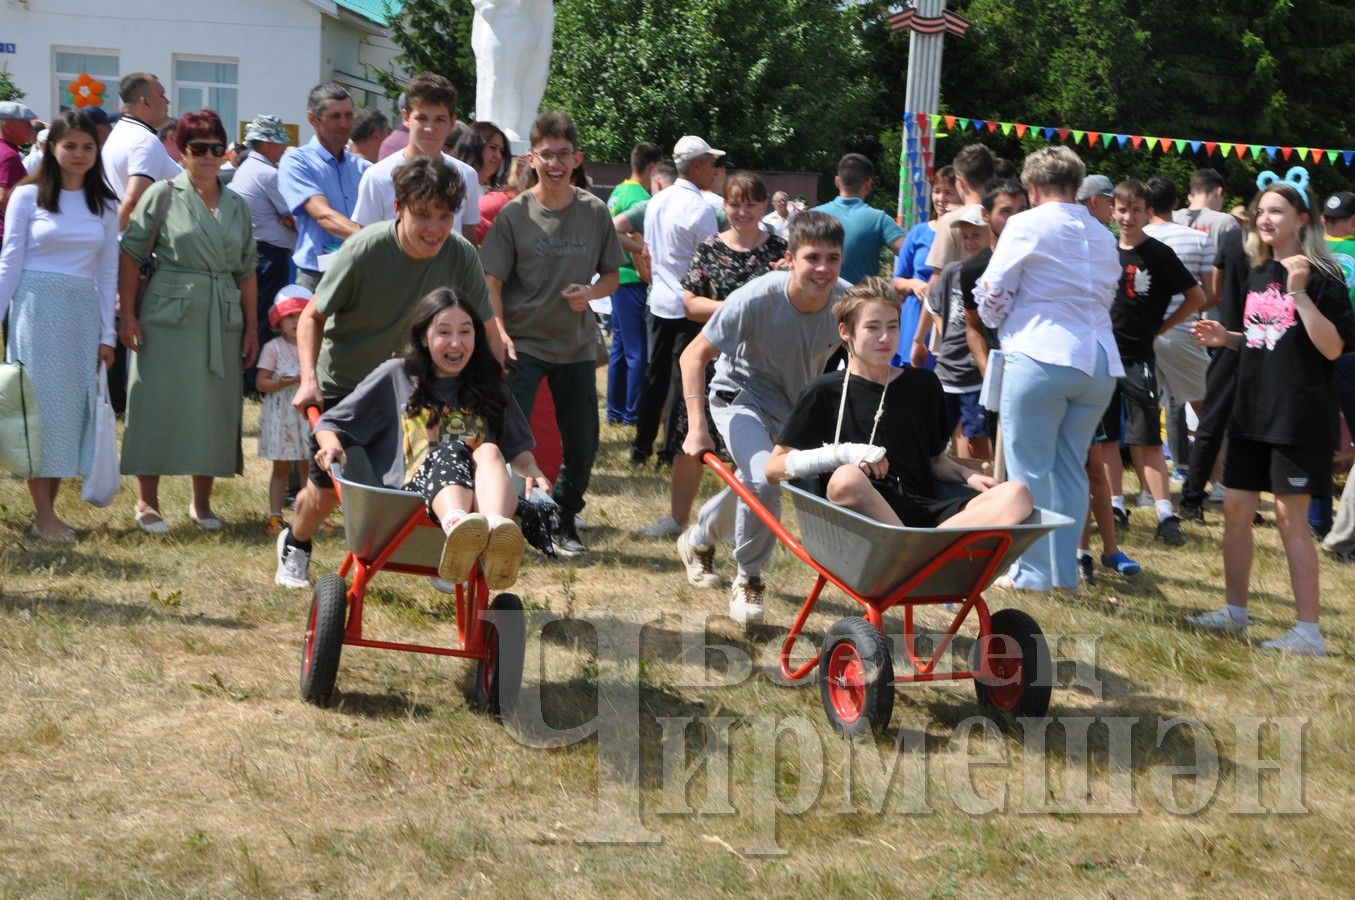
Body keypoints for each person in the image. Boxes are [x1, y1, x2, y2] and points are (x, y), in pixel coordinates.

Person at [277, 156, 500, 589]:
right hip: (350, 384)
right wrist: (309, 379)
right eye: (423, 215)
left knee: (442, 467)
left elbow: (487, 328)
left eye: (444, 216)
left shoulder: (461, 254)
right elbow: (312, 317)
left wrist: (490, 389)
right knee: (326, 493)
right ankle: (296, 540)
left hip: (420, 388)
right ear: (399, 208)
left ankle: (447, 549)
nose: (434, 228)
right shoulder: (366, 249)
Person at [1185, 169, 1355, 656]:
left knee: (1288, 519)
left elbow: (1330, 349)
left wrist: (1299, 291)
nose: (1264, 218)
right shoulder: (1257, 270)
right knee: (1236, 510)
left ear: (1303, 220)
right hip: (1252, 410)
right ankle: (1235, 612)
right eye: (1260, 211)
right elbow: (1266, 338)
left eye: (1276, 210)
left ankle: (1309, 631)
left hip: (1298, 416)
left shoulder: (1324, 276)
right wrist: (1228, 339)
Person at [676, 212, 849, 625]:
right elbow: (693, 355)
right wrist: (698, 428)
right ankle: (749, 578)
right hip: (741, 398)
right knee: (763, 480)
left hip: (797, 409)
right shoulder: (755, 298)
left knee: (753, 485)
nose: (823, 269)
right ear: (790, 258)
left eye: (833, 258)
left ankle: (700, 537)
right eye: (813, 258)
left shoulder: (848, 302)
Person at [314, 289, 548, 590]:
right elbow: (331, 421)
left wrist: (531, 469)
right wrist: (331, 443)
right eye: (444, 332)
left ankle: (491, 536)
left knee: (489, 450)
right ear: (424, 337)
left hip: (481, 500)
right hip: (410, 498)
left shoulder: (491, 387)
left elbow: (518, 451)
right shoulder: (397, 376)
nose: (456, 342)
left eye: (466, 332)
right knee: (451, 450)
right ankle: (457, 532)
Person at [767, 277, 1032, 529]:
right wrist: (841, 454)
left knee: (1017, 494)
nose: (885, 337)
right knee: (845, 478)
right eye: (873, 327)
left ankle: (925, 549)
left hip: (926, 509)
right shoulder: (824, 391)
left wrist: (966, 475)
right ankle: (915, 547)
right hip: (864, 518)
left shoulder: (924, 385)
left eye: (892, 326)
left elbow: (934, 461)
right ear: (845, 332)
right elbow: (773, 469)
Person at [974, 146, 1121, 591]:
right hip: (1098, 360)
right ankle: (1063, 573)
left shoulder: (1025, 223)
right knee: (1069, 468)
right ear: (1076, 186)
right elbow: (1109, 293)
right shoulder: (1103, 233)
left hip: (1040, 353)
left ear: (1033, 188)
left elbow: (993, 291)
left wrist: (998, 318)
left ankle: (1033, 573)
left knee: (1029, 469)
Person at [480, 111, 623, 555]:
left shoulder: (594, 210)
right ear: (532, 158)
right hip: (524, 344)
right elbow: (491, 283)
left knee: (582, 442)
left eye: (564, 154)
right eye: (547, 155)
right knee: (507, 438)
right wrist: (500, 334)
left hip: (576, 346)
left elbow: (613, 276)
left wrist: (592, 292)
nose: (556, 163)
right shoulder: (513, 216)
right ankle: (506, 517)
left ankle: (563, 517)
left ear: (576, 158)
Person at [117, 110, 258, 533]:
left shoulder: (237, 204)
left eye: (217, 147)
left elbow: (247, 270)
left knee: (214, 404)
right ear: (181, 151)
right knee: (154, 399)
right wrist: (128, 314)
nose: (209, 156)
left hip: (222, 312)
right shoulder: (162, 194)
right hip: (167, 312)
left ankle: (202, 503)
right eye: (199, 148)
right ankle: (147, 501)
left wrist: (252, 327)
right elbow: (130, 255)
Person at [640, 171, 788, 543]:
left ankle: (739, 524)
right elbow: (689, 302)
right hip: (708, 354)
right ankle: (676, 519)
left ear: (763, 206)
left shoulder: (780, 250)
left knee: (750, 447)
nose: (743, 211)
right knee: (687, 442)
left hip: (761, 361)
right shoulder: (710, 247)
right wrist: (734, 307)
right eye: (735, 203)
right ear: (725, 205)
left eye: (751, 204)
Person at [0, 110, 119, 541]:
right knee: (39, 411)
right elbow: (9, 262)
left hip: (81, 311)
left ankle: (46, 513)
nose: (79, 154)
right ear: (51, 147)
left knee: (68, 411)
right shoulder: (26, 197)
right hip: (36, 307)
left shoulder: (105, 203)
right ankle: (45, 515)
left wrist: (107, 333)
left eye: (88, 147)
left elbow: (107, 273)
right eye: (71, 146)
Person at [1100, 179, 1204, 546]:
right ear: (1112, 211)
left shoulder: (1158, 253)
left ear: (1148, 213)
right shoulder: (1103, 249)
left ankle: (1165, 513)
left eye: (1136, 211)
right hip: (1101, 355)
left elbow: (1196, 296)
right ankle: (1115, 505)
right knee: (1107, 437)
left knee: (1146, 438)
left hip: (1137, 356)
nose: (1128, 217)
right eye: (1122, 210)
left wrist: (1163, 328)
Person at [631, 136, 723, 467]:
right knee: (686, 379)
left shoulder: (656, 201)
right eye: (711, 164)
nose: (714, 171)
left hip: (659, 302)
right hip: (690, 304)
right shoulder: (702, 209)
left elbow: (647, 248)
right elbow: (710, 263)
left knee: (654, 378)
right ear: (697, 166)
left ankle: (640, 448)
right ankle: (670, 452)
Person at [1143, 175, 1217, 479]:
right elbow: (1212, 295)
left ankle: (1151, 489)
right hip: (1183, 332)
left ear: (1145, 206)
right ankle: (1220, 481)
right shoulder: (1198, 238)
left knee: (1147, 414)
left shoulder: (1134, 238)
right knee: (1208, 409)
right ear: (1176, 203)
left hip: (1141, 335)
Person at [352, 76, 481, 246]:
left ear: (452, 123)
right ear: (406, 117)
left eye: (439, 120)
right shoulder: (377, 177)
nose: (430, 129)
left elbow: (468, 239)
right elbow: (364, 243)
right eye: (422, 118)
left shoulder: (466, 175)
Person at [914, 204, 992, 459]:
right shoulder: (952, 271)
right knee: (933, 437)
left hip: (977, 374)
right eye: (965, 236)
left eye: (976, 235)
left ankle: (985, 490)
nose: (969, 242)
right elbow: (932, 304)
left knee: (978, 442)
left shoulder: (997, 272)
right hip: (947, 370)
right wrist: (924, 339)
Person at [227, 114, 298, 391]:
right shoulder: (268, 174)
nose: (282, 149)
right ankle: (255, 378)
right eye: (280, 143)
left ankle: (248, 377)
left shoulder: (245, 169)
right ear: (268, 144)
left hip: (255, 251)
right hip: (270, 254)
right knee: (265, 317)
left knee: (252, 315)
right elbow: (292, 216)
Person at [277, 83, 369, 290]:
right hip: (317, 277)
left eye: (348, 115)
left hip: (359, 271)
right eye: (335, 116)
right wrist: (373, 239)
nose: (344, 123)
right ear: (313, 119)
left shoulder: (364, 168)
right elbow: (323, 216)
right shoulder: (296, 162)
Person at [604, 141, 663, 428]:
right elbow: (639, 243)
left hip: (616, 279)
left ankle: (614, 411)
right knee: (638, 351)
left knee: (619, 348)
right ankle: (632, 414)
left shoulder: (618, 191)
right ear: (652, 168)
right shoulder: (640, 196)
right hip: (635, 280)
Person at [256, 285, 312, 535]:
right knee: (281, 466)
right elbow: (261, 383)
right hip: (282, 415)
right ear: (279, 320)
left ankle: (308, 514)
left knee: (307, 465)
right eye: (290, 316)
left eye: (302, 316)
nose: (296, 321)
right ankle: (275, 515)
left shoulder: (313, 346)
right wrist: (288, 381)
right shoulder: (273, 348)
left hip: (305, 413)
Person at [892, 166, 961, 368]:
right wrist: (913, 284)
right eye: (937, 191)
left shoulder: (967, 234)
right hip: (915, 316)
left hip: (948, 315)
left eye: (949, 192)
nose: (941, 198)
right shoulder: (918, 232)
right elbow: (896, 280)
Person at [100, 74, 181, 230]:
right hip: (137, 246)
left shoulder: (120, 131)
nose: (167, 101)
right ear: (145, 101)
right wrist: (112, 244)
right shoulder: (144, 140)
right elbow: (133, 200)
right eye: (162, 95)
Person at [813, 153, 905, 285]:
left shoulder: (812, 216)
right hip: (861, 301)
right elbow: (910, 252)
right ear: (868, 184)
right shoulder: (879, 219)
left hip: (819, 299)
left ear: (837, 181)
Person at [0, 102, 38, 239]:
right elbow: (3, 198)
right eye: (26, 123)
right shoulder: (9, 155)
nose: (31, 128)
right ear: (8, 127)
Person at [471, 121, 511, 189]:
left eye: (502, 151)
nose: (499, 156)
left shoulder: (496, 192)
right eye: (493, 147)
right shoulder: (458, 186)